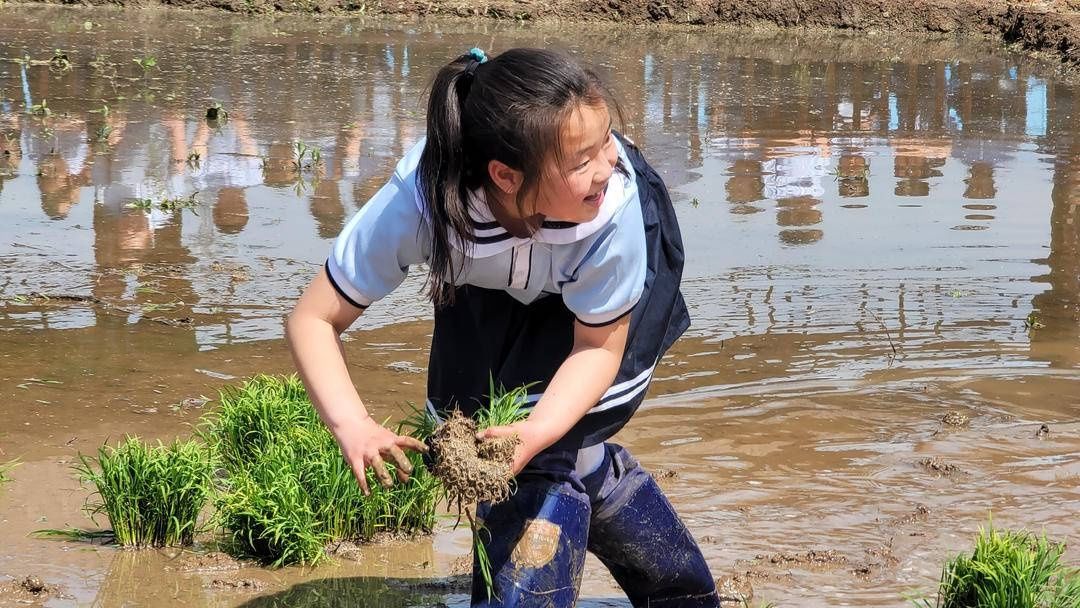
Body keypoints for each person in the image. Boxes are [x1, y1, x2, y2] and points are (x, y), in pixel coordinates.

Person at [286, 47, 719, 607]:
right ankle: (675, 583)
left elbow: (595, 350)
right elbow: (314, 318)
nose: (608, 163)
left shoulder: (615, 207)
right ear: (504, 176)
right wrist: (354, 425)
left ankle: (678, 596)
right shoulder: (422, 203)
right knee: (477, 430)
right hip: (488, 281)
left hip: (597, 304)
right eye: (583, 158)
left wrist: (536, 434)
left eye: (607, 140)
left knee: (543, 450)